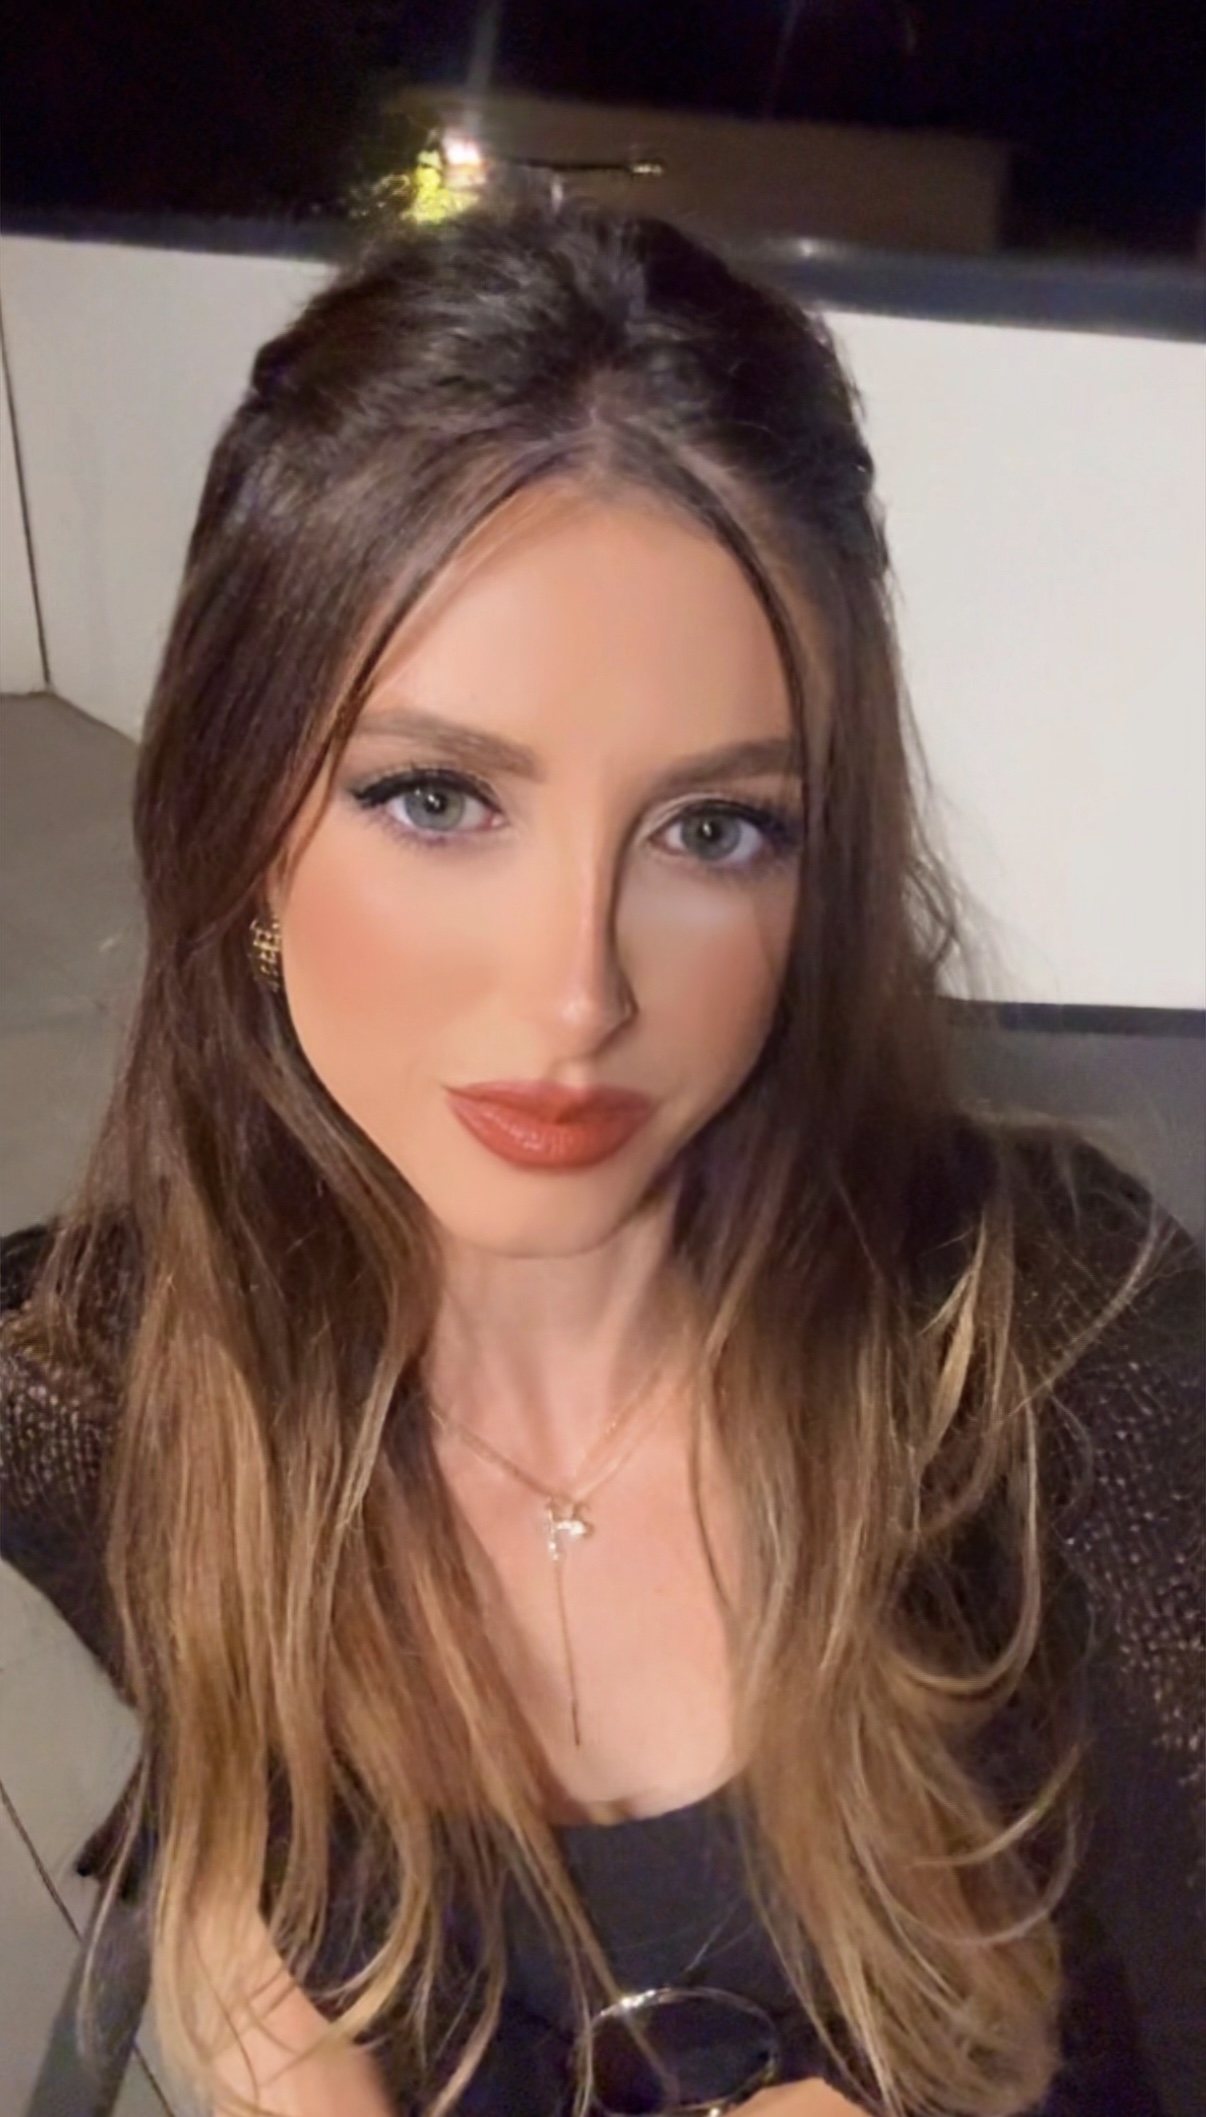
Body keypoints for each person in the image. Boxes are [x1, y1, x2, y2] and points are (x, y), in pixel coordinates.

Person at [1, 189, 1202, 2117]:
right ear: (242, 834)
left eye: (712, 831)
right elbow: (213, 1750)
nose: (578, 994)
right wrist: (249, 1962)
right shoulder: (112, 1369)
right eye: (435, 797)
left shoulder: (1066, 1362)